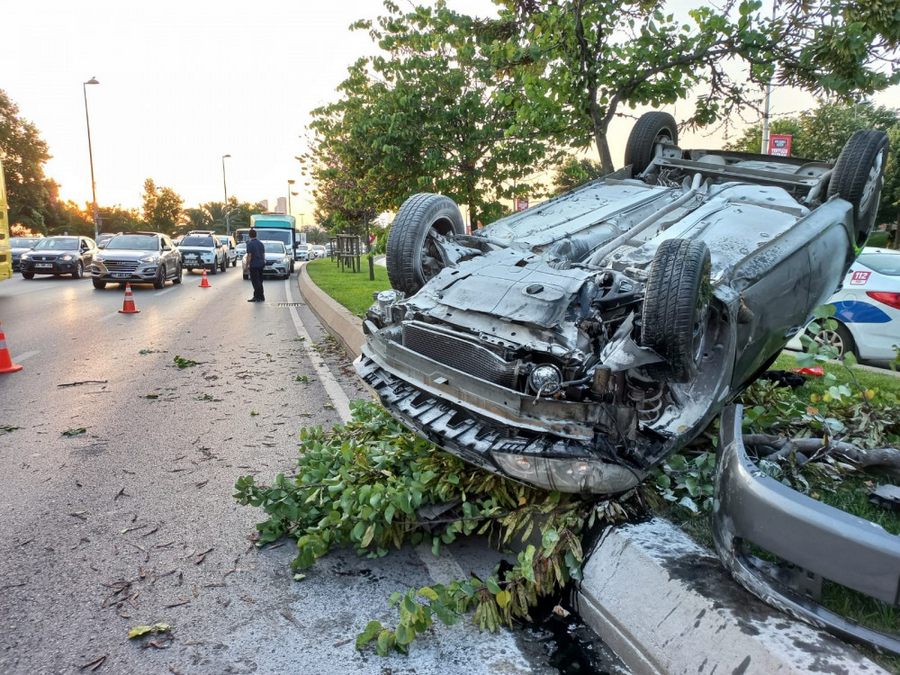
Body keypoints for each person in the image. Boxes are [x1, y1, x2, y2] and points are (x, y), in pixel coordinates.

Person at [246, 228, 266, 302]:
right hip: (261, 264)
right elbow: (263, 254)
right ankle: (261, 296)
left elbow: (249, 255)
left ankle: (257, 296)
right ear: (256, 235)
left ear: (249, 235)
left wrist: (247, 265)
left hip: (254, 265)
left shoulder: (250, 244)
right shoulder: (260, 244)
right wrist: (263, 261)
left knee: (255, 281)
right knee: (260, 280)